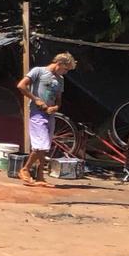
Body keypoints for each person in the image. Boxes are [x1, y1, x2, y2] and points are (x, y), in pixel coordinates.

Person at [15, 52, 78, 184]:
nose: (65, 72)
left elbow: (59, 100)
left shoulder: (60, 79)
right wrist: (35, 99)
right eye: (65, 69)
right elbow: (21, 85)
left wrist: (56, 107)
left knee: (45, 146)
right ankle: (25, 169)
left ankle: (40, 176)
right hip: (37, 113)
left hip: (50, 114)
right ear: (59, 64)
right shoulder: (39, 71)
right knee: (41, 144)